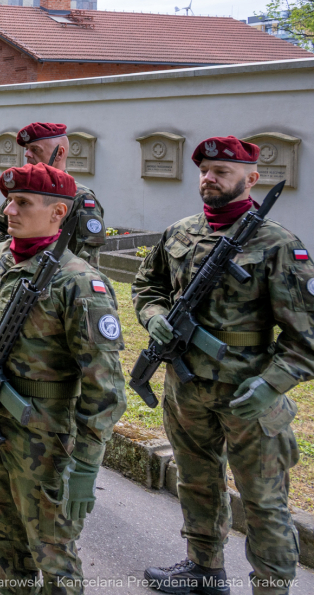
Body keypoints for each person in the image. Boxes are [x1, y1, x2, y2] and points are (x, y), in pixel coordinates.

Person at [133, 136, 313, 595]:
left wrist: (274, 384)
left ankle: (271, 587)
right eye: (205, 171)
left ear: (251, 179)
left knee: (262, 499)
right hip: (186, 386)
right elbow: (147, 286)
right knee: (195, 481)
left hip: (248, 393)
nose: (209, 179)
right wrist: (153, 316)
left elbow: (307, 337)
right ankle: (203, 569)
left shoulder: (278, 245)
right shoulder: (180, 232)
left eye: (222, 172)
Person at [0, 162, 126, 590]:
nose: (9, 210)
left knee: (54, 557)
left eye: (23, 202)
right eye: (9, 200)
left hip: (47, 440)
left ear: (57, 214)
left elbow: (106, 390)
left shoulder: (80, 283)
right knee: (4, 546)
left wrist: (84, 467)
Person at [0, 123, 106, 267]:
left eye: (35, 149)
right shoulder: (23, 191)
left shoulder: (81, 198)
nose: (27, 154)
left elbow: (87, 259)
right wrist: (10, 264)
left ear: (59, 153)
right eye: (27, 149)